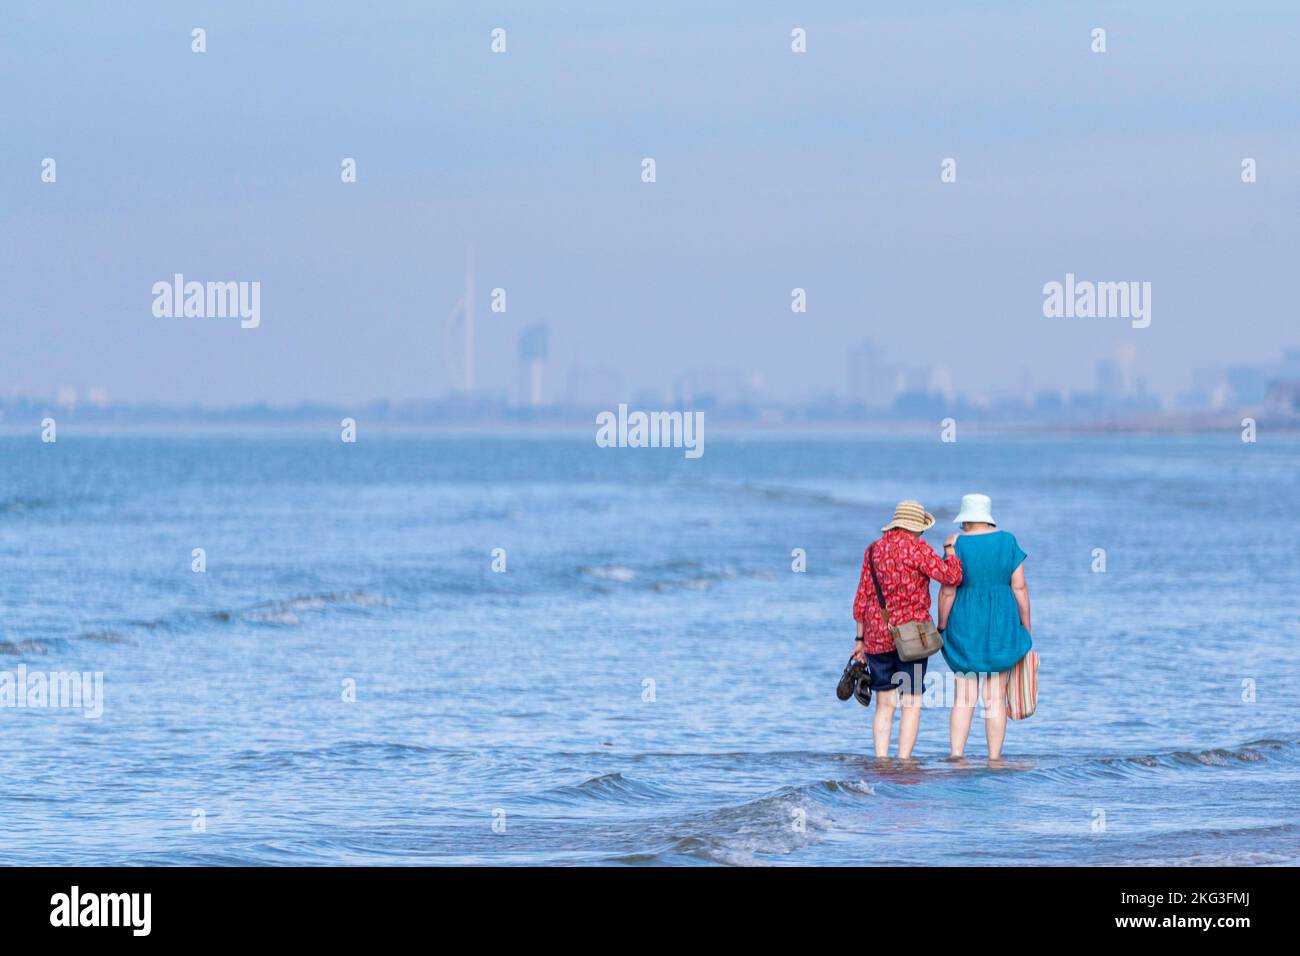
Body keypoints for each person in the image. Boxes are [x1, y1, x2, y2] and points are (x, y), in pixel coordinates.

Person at [852, 500, 963, 758]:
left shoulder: (873, 551)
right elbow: (951, 577)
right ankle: (904, 761)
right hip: (914, 637)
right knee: (911, 701)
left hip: (877, 636)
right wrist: (951, 553)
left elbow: (862, 598)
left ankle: (881, 759)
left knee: (884, 703)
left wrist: (859, 640)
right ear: (918, 528)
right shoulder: (918, 548)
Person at [936, 493, 1032, 761]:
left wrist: (941, 626)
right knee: (994, 699)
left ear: (965, 519)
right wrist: (1026, 624)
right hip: (1002, 624)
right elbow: (1020, 587)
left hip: (965, 625)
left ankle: (956, 756)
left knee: (964, 698)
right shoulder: (1008, 541)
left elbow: (947, 592)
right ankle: (994, 758)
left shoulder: (955, 546)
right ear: (988, 519)